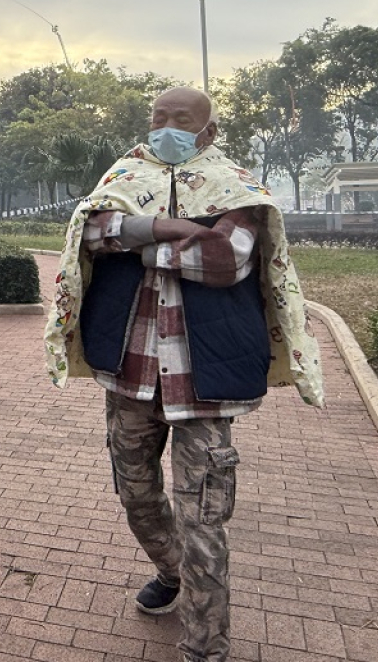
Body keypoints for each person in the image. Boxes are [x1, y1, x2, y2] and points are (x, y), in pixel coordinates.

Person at [43, 86, 324, 662]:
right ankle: (172, 574)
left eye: (181, 120)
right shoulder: (124, 177)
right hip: (131, 378)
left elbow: (225, 261)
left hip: (206, 381)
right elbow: (89, 234)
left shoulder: (235, 188)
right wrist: (170, 230)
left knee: (204, 521)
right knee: (137, 497)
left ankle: (206, 648)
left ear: (208, 131)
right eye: (159, 117)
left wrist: (139, 242)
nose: (166, 127)